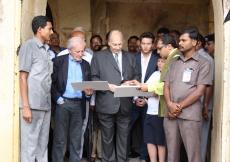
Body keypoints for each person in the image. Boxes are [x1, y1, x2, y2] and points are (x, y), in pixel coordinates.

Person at [91, 30, 141, 162]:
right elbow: (93, 78)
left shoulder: (130, 57)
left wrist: (130, 82)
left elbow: (137, 76)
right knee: (107, 139)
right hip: (106, 102)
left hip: (125, 103)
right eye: (114, 44)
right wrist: (108, 86)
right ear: (108, 42)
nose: (118, 47)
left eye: (120, 44)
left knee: (124, 138)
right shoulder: (99, 57)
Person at [163, 28, 212, 162]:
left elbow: (199, 91)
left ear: (195, 42)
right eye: (180, 40)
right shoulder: (174, 61)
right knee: (172, 155)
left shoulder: (204, 63)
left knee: (193, 155)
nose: (180, 43)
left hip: (190, 115)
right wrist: (170, 105)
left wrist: (177, 107)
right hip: (171, 114)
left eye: (184, 40)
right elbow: (166, 85)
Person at [51, 36, 93, 162]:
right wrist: (59, 99)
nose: (81, 54)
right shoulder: (58, 61)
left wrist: (88, 94)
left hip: (79, 105)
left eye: (82, 51)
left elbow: (88, 85)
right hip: (63, 103)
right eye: (77, 51)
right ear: (69, 50)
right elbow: (51, 83)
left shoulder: (85, 64)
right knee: (59, 139)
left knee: (76, 139)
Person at [19, 15, 53, 162]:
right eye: (49, 28)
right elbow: (22, 77)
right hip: (32, 106)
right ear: (40, 29)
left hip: (45, 106)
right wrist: (26, 106)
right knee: (29, 147)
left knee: (42, 146)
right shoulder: (28, 46)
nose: (52, 32)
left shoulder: (46, 49)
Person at [131, 32, 158, 162]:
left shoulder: (158, 59)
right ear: (139, 44)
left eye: (148, 44)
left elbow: (158, 81)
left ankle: (144, 157)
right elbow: (129, 79)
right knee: (127, 127)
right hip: (133, 98)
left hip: (151, 100)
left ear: (153, 45)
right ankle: (124, 154)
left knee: (147, 130)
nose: (146, 46)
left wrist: (146, 99)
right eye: (143, 44)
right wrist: (136, 98)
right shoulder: (133, 58)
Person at [196, 34, 215, 162]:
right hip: (194, 106)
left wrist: (205, 105)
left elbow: (209, 84)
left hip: (203, 105)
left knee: (201, 141)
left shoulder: (206, 59)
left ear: (196, 43)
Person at [144, 56, 166, 162]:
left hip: (160, 113)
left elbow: (163, 92)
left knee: (160, 140)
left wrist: (153, 91)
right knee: (150, 139)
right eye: (159, 61)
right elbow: (145, 91)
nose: (160, 64)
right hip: (150, 111)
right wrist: (153, 92)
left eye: (163, 62)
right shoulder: (154, 74)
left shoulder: (167, 75)